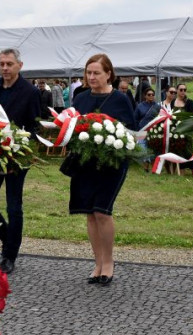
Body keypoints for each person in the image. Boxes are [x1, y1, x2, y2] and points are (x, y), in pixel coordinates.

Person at [71, 53, 135, 286]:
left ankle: (108, 263)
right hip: (85, 163)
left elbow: (130, 132)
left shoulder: (121, 99)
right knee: (89, 212)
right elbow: (73, 127)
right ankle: (97, 263)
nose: (92, 76)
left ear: (109, 74)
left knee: (102, 211)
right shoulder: (80, 98)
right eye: (89, 73)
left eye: (97, 72)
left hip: (112, 164)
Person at [0, 48, 40, 274]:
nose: (5, 68)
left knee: (14, 206)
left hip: (17, 156)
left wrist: (20, 147)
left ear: (19, 65)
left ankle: (9, 255)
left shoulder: (30, 92)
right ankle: (8, 239)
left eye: (9, 64)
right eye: (2, 64)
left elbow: (34, 126)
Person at [171, 83, 193, 178]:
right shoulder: (172, 102)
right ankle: (182, 170)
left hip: (187, 129)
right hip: (176, 130)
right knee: (180, 150)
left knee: (188, 150)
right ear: (177, 91)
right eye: (181, 90)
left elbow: (191, 116)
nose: (183, 91)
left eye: (185, 90)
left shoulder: (189, 102)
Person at [134, 88, 160, 172]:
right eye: (149, 94)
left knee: (152, 149)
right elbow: (135, 119)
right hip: (142, 130)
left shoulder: (157, 106)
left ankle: (153, 167)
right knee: (143, 148)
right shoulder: (140, 106)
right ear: (145, 96)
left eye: (152, 94)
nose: (151, 96)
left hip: (153, 131)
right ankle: (146, 167)